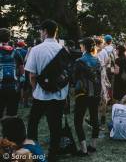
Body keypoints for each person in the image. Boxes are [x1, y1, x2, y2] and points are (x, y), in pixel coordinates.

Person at [25, 20, 69, 161]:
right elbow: (67, 75)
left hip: (41, 95)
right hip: (59, 94)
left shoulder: (36, 49)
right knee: (55, 126)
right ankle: (53, 154)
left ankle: (34, 151)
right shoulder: (64, 50)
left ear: (44, 31)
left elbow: (32, 75)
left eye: (40, 30)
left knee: (33, 123)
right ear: (56, 31)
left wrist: (34, 90)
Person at [73, 37, 101, 156]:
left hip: (82, 94)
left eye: (81, 45)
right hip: (95, 93)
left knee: (78, 121)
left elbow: (74, 79)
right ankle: (93, 145)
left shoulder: (79, 61)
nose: (80, 47)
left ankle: (83, 149)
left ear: (84, 46)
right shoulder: (97, 60)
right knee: (95, 119)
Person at [0, 28, 24, 119]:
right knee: (12, 116)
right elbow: (22, 72)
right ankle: (10, 132)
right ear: (9, 39)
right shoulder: (16, 52)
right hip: (13, 88)